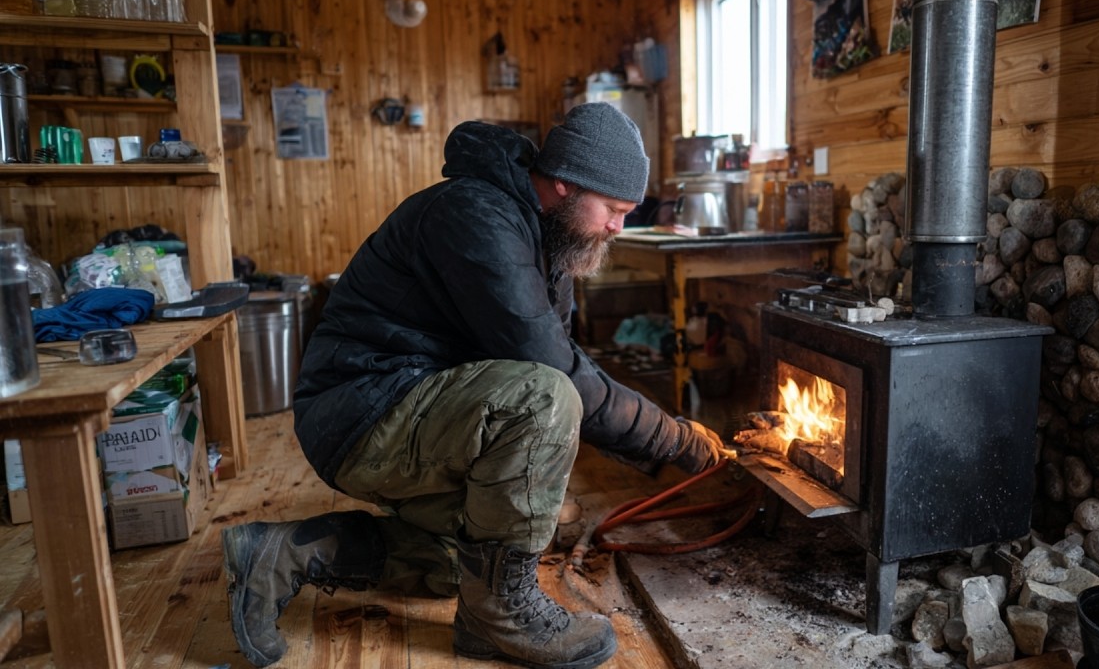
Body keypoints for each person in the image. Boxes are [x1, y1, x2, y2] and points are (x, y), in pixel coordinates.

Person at [220, 102, 728, 669]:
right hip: (361, 411)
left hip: (410, 403)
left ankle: (281, 553)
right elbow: (553, 373)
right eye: (612, 209)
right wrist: (673, 439)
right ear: (565, 183)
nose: (618, 226)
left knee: (465, 559)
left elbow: (558, 353)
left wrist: (664, 436)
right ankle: (502, 615)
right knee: (545, 397)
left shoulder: (547, 237)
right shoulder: (475, 214)